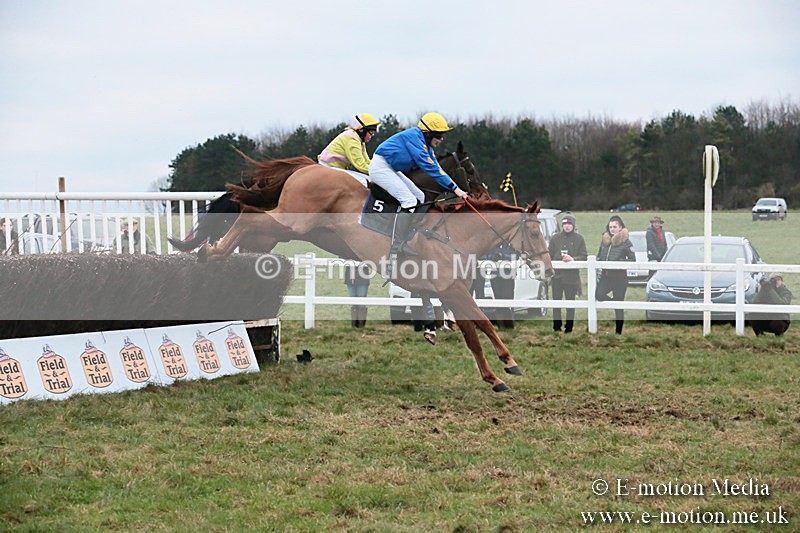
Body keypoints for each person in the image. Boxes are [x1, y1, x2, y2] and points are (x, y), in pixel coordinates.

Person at [368, 112, 469, 258]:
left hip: (391, 168)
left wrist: (455, 188)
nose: (441, 139)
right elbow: (432, 169)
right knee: (409, 201)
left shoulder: (426, 145)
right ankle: (397, 246)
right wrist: (455, 189)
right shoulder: (414, 139)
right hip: (380, 167)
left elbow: (437, 168)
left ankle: (408, 235)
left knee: (420, 197)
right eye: (438, 135)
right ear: (428, 133)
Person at [548, 213, 588, 333]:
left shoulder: (579, 239)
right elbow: (549, 255)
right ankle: (556, 326)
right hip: (557, 277)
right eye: (565, 224)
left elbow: (584, 256)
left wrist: (573, 259)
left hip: (571, 277)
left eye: (569, 224)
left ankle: (569, 327)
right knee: (556, 302)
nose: (567, 226)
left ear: (573, 225)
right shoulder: (555, 238)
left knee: (570, 302)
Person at [595, 215, 635, 334]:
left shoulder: (626, 242)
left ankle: (618, 332)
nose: (612, 229)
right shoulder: (604, 241)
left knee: (619, 305)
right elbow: (599, 256)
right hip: (606, 276)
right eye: (610, 227)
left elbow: (633, 260)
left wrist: (619, 262)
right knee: (599, 294)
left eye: (615, 227)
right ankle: (613, 303)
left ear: (620, 227)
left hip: (619, 278)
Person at [318, 113, 381, 187]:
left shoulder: (359, 141)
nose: (372, 135)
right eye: (371, 132)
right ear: (361, 130)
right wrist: (379, 172)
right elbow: (360, 165)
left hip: (336, 168)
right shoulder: (352, 139)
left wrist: (379, 169)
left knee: (369, 180)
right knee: (364, 183)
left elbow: (367, 161)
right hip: (329, 168)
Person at [344, 263, 371, 328]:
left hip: (362, 277)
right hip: (350, 276)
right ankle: (354, 324)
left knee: (361, 302)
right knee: (353, 302)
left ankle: (360, 324)